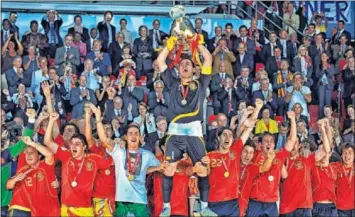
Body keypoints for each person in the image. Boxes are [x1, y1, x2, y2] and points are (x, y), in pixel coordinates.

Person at [156, 40, 217, 216]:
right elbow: (160, 61)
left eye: (188, 64)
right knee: (169, 168)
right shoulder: (172, 82)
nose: (184, 66)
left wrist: (196, 42)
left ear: (193, 68)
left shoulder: (201, 83)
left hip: (194, 131)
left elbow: (207, 58)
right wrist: (170, 44)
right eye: (182, 64)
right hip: (175, 131)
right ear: (178, 69)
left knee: (203, 168)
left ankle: (204, 208)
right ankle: (166, 207)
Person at [91, 104, 165, 217]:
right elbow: (104, 139)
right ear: (125, 137)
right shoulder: (119, 151)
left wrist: (158, 168)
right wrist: (97, 118)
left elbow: (158, 169)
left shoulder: (148, 155)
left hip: (140, 202)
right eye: (130, 133)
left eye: (136, 133)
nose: (133, 136)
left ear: (140, 137)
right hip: (122, 201)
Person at [44, 112, 113, 217]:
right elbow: (48, 142)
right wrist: (51, 121)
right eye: (72, 144)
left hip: (85, 210)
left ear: (84, 147)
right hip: (66, 209)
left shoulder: (93, 159)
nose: (73, 147)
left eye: (77, 144)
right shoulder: (66, 155)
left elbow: (113, 162)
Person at [205, 100, 262, 216]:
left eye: (230, 136)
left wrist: (257, 109)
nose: (227, 137)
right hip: (214, 202)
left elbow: (249, 128)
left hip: (232, 203)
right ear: (218, 138)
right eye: (224, 135)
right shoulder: (210, 156)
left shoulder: (235, 151)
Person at [246, 111, 297, 217]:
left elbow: (292, 140)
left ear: (274, 144)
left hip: (272, 202)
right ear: (260, 144)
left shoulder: (279, 156)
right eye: (265, 141)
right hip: (255, 201)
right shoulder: (255, 155)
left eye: (271, 141)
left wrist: (292, 120)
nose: (269, 143)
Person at [280, 119, 331, 217]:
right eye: (290, 141)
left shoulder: (306, 158)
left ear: (299, 145)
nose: (293, 145)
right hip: (286, 207)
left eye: (295, 142)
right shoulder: (281, 158)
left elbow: (326, 150)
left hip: (304, 206)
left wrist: (323, 130)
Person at [6, 136, 60, 217]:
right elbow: (8, 186)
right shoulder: (22, 169)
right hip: (26, 210)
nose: (28, 155)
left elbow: (49, 154)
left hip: (46, 212)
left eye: (32, 152)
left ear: (39, 156)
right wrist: (15, 179)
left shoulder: (45, 167)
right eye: (26, 153)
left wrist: (31, 143)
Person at [334, 143, 354, 217]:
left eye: (350, 152)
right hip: (341, 209)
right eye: (344, 153)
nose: (347, 155)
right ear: (341, 155)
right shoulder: (336, 167)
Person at [316, 52, 335, 118]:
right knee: (321, 102)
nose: (323, 57)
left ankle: (329, 118)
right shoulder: (318, 66)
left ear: (327, 57)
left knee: (328, 103)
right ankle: (321, 118)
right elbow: (317, 75)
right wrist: (322, 70)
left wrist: (326, 69)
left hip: (328, 86)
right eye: (322, 56)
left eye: (325, 56)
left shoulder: (331, 65)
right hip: (321, 85)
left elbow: (331, 74)